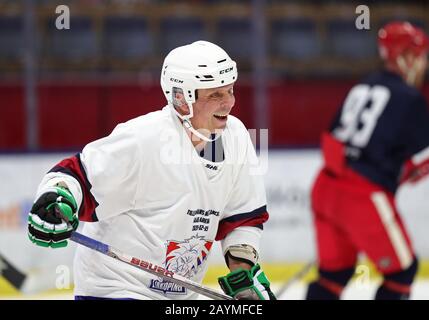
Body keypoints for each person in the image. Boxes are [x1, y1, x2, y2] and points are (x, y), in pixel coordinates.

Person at [27, 40, 276, 300]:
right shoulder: (144, 138)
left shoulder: (235, 136)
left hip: (180, 297)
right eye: (215, 95)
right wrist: (57, 199)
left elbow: (241, 216)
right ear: (182, 99)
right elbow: (74, 175)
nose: (229, 103)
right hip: (115, 290)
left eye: (230, 91)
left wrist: (243, 274)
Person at [306, 21, 429, 300]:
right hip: (363, 195)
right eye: (420, 58)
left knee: (333, 276)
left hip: (325, 187)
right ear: (405, 57)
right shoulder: (410, 98)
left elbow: (330, 139)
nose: (423, 66)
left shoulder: (363, 85)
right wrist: (401, 173)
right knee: (402, 272)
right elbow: (423, 160)